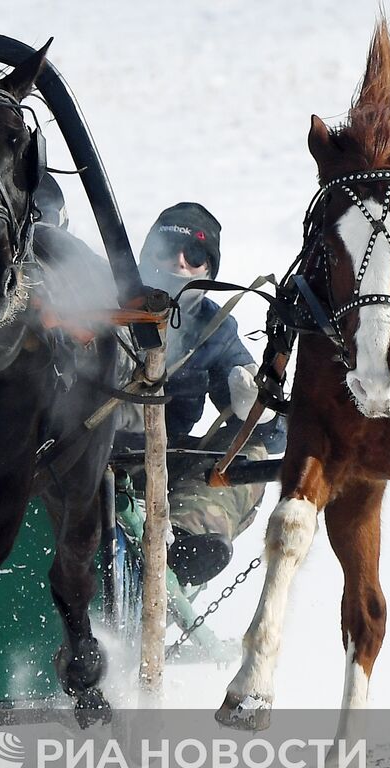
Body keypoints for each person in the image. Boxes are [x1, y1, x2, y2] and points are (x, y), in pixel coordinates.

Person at [122, 202, 286, 588]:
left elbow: (276, 437)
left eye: (195, 255)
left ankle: (181, 541)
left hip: (160, 465)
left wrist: (260, 413)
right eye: (168, 249)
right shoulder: (101, 300)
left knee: (248, 453)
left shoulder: (216, 329)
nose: (180, 263)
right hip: (76, 449)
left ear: (209, 269)